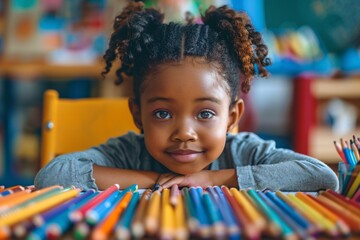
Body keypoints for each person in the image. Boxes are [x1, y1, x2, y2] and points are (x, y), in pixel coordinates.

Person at [35, 1, 338, 192]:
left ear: (232, 115)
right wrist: (155, 182)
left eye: (205, 114)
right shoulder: (128, 153)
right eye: (162, 114)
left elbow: (321, 176)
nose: (184, 133)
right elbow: (52, 175)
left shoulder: (242, 152)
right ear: (138, 113)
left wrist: (211, 179)